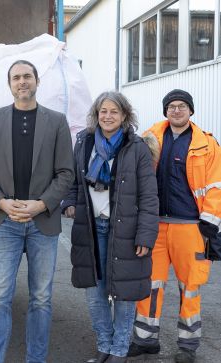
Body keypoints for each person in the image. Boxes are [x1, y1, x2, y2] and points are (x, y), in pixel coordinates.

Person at [0, 60, 74, 363]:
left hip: (42, 221)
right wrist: (2, 203)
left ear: (36, 81)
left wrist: (41, 204)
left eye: (27, 76)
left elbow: (66, 173)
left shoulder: (56, 122)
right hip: (5, 221)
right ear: (10, 84)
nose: (22, 82)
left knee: (41, 299)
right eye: (16, 78)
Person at [62, 91, 159, 363]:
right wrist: (70, 202)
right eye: (103, 111)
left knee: (124, 294)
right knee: (95, 292)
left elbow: (149, 196)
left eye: (114, 112)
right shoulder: (84, 142)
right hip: (91, 229)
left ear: (125, 116)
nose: (108, 116)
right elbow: (73, 180)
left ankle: (119, 350)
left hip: (126, 230)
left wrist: (146, 235)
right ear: (96, 114)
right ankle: (104, 345)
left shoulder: (136, 147)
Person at [127, 89, 221, 363]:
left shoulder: (208, 144)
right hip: (154, 225)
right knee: (150, 285)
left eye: (182, 106)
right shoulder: (149, 138)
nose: (176, 110)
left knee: (189, 288)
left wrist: (210, 223)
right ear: (165, 110)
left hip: (191, 227)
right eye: (171, 106)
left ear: (191, 111)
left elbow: (217, 186)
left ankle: (187, 346)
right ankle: (145, 340)